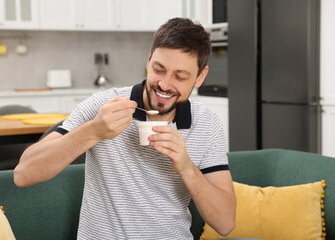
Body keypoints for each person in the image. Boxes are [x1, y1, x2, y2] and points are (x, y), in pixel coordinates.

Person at [14, 17, 236, 240]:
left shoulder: (207, 123)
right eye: (159, 69)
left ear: (200, 77)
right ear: (149, 61)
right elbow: (23, 174)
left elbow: (225, 223)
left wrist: (187, 168)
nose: (165, 85)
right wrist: (94, 131)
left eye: (180, 76)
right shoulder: (104, 105)